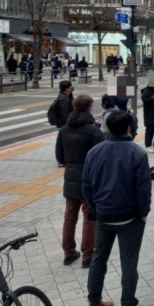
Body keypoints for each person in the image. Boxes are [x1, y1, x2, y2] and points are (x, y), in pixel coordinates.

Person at [83, 111, 151, 306]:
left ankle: (95, 305)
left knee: (98, 259)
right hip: (130, 216)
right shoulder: (137, 153)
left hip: (103, 215)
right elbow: (143, 189)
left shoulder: (94, 152)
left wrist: (96, 208)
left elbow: (86, 186)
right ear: (129, 128)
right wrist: (144, 212)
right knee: (129, 261)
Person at [56, 94, 104, 268]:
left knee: (70, 215)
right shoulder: (94, 131)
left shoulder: (63, 130)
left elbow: (59, 157)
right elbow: (101, 159)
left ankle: (69, 252)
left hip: (70, 176)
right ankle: (88, 255)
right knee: (89, 216)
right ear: (89, 108)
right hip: (89, 178)